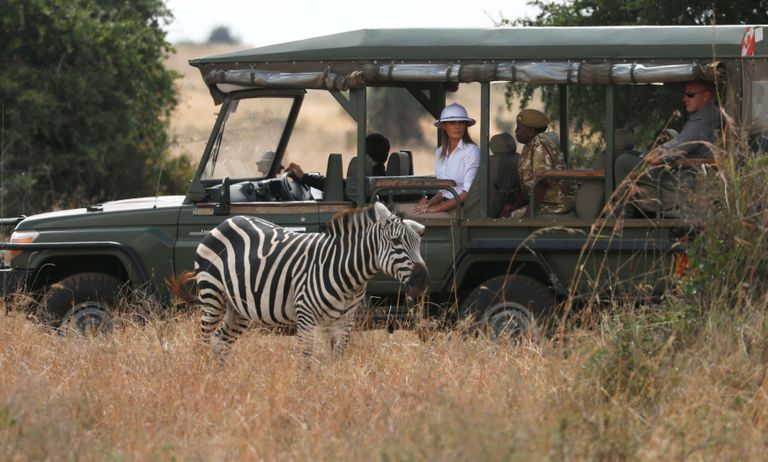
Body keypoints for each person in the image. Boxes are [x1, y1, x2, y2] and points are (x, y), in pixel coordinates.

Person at [614, 80, 721, 213]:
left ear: (706, 96)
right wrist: (645, 155)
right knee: (631, 157)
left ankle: (623, 220)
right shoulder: (706, 117)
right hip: (685, 175)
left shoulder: (705, 119)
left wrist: (652, 155)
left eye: (690, 95)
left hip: (687, 182)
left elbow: (671, 151)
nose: (685, 98)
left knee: (623, 162)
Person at [500, 109, 573, 219]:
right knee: (508, 214)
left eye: (519, 128)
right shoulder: (529, 145)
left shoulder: (540, 144)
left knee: (509, 219)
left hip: (555, 205)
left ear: (531, 131)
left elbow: (541, 182)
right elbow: (528, 184)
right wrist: (515, 206)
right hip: (544, 202)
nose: (515, 131)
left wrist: (527, 217)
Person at [413, 103, 480, 214]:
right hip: (444, 206)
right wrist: (429, 203)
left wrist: (436, 208)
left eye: (461, 122)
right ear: (444, 126)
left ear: (466, 126)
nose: (457, 126)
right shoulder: (439, 152)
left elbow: (467, 192)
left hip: (461, 209)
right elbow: (443, 191)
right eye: (453, 122)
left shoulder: (471, 151)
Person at [284, 133, 390, 190]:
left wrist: (303, 177)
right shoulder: (381, 180)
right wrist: (304, 177)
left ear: (366, 156)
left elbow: (336, 188)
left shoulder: (367, 185)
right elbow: (340, 184)